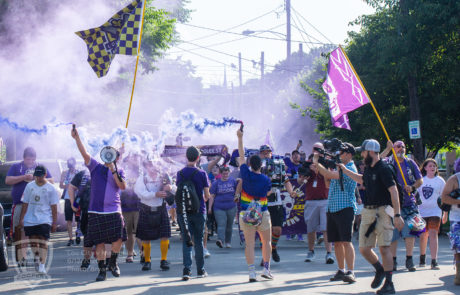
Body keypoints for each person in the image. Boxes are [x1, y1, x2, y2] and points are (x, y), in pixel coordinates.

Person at [340, 139, 404, 295]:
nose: (361, 155)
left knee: (384, 248)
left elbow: (393, 191)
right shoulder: (369, 167)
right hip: (368, 213)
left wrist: (397, 214)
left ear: (370, 152)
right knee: (364, 248)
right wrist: (344, 170)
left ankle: (389, 284)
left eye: (363, 151)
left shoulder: (384, 169)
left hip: (383, 212)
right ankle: (380, 270)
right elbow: (362, 179)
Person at [71, 126, 127, 282]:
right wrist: (77, 138)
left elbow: (122, 186)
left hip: (114, 210)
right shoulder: (95, 167)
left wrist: (113, 170)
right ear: (103, 156)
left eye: (113, 155)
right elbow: (84, 154)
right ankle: (102, 270)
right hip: (96, 211)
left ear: (116, 157)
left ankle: (113, 262)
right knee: (99, 243)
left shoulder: (120, 170)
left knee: (118, 240)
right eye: (107, 155)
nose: (109, 157)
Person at [313, 143, 358, 283]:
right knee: (337, 242)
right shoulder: (339, 166)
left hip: (345, 208)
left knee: (346, 241)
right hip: (332, 208)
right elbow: (327, 182)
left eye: (343, 152)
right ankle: (341, 269)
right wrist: (325, 166)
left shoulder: (349, 167)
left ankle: (351, 271)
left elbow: (328, 174)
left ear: (349, 154)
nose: (340, 154)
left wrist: (317, 162)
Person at [5, 147, 53, 266]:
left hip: (37, 206)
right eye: (28, 159)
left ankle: (37, 257)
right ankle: (21, 258)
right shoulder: (16, 167)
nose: (30, 162)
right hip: (20, 204)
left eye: (32, 159)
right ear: (24, 158)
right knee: (20, 232)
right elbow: (8, 180)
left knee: (35, 232)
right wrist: (23, 177)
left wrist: (39, 179)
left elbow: (51, 180)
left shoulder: (40, 167)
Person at [236, 128, 273, 282]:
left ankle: (251, 272)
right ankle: (266, 268)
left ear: (250, 164)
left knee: (249, 244)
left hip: (246, 212)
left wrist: (240, 138)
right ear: (261, 165)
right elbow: (267, 193)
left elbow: (241, 155)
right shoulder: (266, 180)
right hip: (262, 212)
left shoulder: (245, 173)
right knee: (266, 242)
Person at [381, 140, 423, 272]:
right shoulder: (388, 162)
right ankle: (393, 260)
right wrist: (387, 149)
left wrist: (412, 186)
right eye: (398, 147)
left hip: (409, 203)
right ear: (394, 148)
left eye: (403, 147)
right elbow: (377, 161)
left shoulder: (410, 163)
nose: (401, 149)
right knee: (393, 234)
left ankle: (409, 259)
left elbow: (420, 179)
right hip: (391, 204)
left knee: (410, 232)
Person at [176, 146, 210, 281]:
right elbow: (207, 195)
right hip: (199, 210)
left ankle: (186, 270)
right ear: (198, 158)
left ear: (186, 157)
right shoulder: (202, 174)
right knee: (199, 240)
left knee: (186, 240)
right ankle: (201, 270)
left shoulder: (180, 173)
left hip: (183, 211)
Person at [18, 165, 59, 274]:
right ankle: (37, 257)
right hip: (30, 219)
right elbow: (25, 204)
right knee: (33, 242)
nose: (38, 178)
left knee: (43, 242)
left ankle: (42, 265)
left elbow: (54, 207)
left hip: (45, 219)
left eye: (40, 176)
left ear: (45, 175)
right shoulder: (29, 186)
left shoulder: (51, 188)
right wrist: (21, 219)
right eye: (36, 176)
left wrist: (54, 222)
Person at [134, 160, 172, 271]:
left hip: (161, 208)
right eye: (150, 165)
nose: (153, 167)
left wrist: (170, 187)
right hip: (146, 209)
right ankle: (147, 261)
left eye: (155, 165)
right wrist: (155, 194)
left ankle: (164, 260)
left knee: (164, 235)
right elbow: (140, 193)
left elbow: (174, 188)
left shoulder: (164, 177)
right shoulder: (142, 178)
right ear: (146, 166)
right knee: (146, 238)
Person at [303, 142, 334, 264]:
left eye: (319, 149)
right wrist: (309, 171)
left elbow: (330, 176)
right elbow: (300, 179)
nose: (317, 151)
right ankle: (311, 251)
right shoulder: (307, 162)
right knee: (311, 229)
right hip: (311, 200)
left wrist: (320, 169)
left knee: (326, 228)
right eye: (315, 149)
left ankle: (329, 253)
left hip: (325, 200)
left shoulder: (326, 162)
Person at [417, 158, 447, 269]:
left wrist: (445, 213)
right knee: (423, 235)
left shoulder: (440, 181)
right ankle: (422, 257)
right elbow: (416, 196)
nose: (432, 167)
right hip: (422, 211)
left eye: (434, 166)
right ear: (425, 168)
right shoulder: (421, 180)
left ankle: (434, 260)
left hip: (435, 211)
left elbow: (444, 198)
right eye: (430, 166)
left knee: (433, 234)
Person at [259, 144, 284, 263]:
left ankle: (273, 248)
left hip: (276, 201)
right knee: (263, 231)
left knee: (277, 229)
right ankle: (265, 255)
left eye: (268, 152)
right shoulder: (256, 167)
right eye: (263, 152)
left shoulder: (278, 165)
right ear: (260, 154)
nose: (266, 154)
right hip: (262, 202)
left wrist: (291, 192)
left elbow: (286, 180)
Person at [209, 166, 240, 248]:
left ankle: (228, 241)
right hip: (219, 207)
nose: (225, 175)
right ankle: (220, 240)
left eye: (227, 173)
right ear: (220, 174)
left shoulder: (233, 181)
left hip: (231, 207)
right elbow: (212, 196)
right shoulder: (216, 183)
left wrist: (240, 181)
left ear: (229, 173)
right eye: (224, 174)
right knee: (221, 224)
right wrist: (209, 208)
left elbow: (238, 189)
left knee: (229, 225)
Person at [68, 168, 92, 270]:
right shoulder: (83, 173)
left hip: (103, 210)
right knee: (87, 236)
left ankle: (107, 261)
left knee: (105, 237)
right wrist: (73, 203)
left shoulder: (104, 170)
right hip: (85, 209)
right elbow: (71, 187)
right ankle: (86, 259)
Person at [440, 166, 460, 285]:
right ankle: (458, 274)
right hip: (457, 219)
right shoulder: (454, 179)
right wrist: (458, 202)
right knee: (458, 247)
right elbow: (444, 197)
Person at [60, 157, 79, 246]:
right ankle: (70, 238)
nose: (71, 168)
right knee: (69, 219)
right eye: (70, 166)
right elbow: (61, 185)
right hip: (68, 198)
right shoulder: (64, 173)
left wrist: (75, 187)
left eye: (72, 166)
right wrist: (68, 186)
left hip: (77, 198)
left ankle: (78, 234)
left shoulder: (78, 173)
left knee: (78, 218)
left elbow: (82, 185)